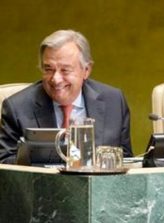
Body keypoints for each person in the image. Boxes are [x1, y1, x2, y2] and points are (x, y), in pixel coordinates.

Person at [0, 29, 133, 163]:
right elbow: (5, 163)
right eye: (48, 69)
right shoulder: (17, 107)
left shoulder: (114, 101)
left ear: (86, 70)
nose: (56, 79)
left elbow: (126, 159)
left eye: (65, 70)